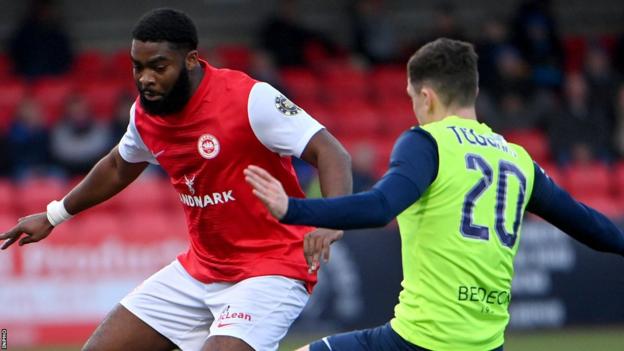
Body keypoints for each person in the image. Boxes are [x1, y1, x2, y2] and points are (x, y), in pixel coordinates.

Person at [0, 8, 352, 351]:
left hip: (271, 270)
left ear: (191, 60)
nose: (145, 79)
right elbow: (118, 167)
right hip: (201, 269)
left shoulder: (250, 99)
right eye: (137, 67)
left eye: (158, 67)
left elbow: (331, 152)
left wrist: (332, 217)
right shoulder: (145, 113)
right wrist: (53, 215)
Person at [244, 38, 624, 351]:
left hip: (421, 341)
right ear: (473, 90)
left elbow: (380, 207)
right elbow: (588, 224)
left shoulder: (427, 143)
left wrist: (291, 208)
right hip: (487, 344)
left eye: (411, 97)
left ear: (425, 96)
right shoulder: (517, 158)